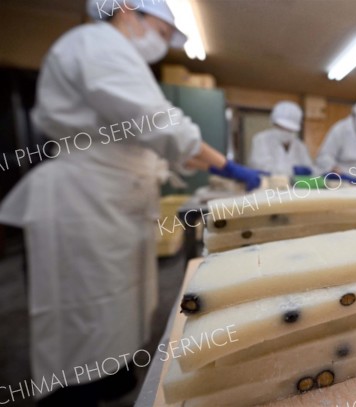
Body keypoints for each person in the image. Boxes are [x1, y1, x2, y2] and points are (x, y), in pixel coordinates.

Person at [0, 1, 262, 405]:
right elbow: (163, 126)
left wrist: (217, 163)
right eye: (160, 32)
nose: (161, 43)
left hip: (114, 203)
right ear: (127, 12)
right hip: (86, 202)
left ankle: (110, 377)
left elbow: (165, 142)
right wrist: (229, 167)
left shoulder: (122, 58)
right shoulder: (95, 44)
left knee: (118, 306)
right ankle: (73, 395)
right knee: (82, 312)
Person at [249, 101, 314, 177]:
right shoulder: (261, 140)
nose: (285, 131)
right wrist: (292, 171)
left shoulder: (300, 146)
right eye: (281, 127)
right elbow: (261, 168)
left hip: (296, 188)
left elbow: (310, 169)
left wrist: (312, 171)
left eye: (289, 129)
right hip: (269, 187)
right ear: (273, 123)